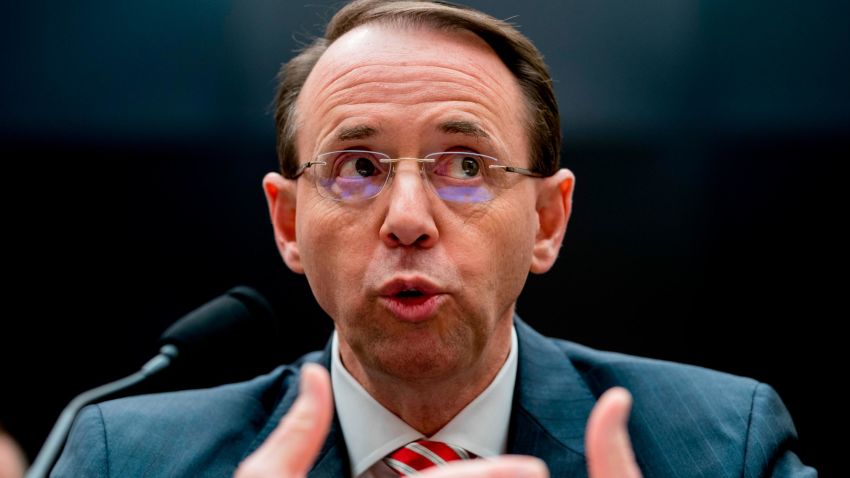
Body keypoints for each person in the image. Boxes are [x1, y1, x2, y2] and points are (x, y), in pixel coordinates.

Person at [52, 1, 815, 477]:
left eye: (465, 164)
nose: (408, 218)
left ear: (548, 221)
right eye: (357, 166)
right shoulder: (127, 457)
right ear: (288, 223)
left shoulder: (720, 447)